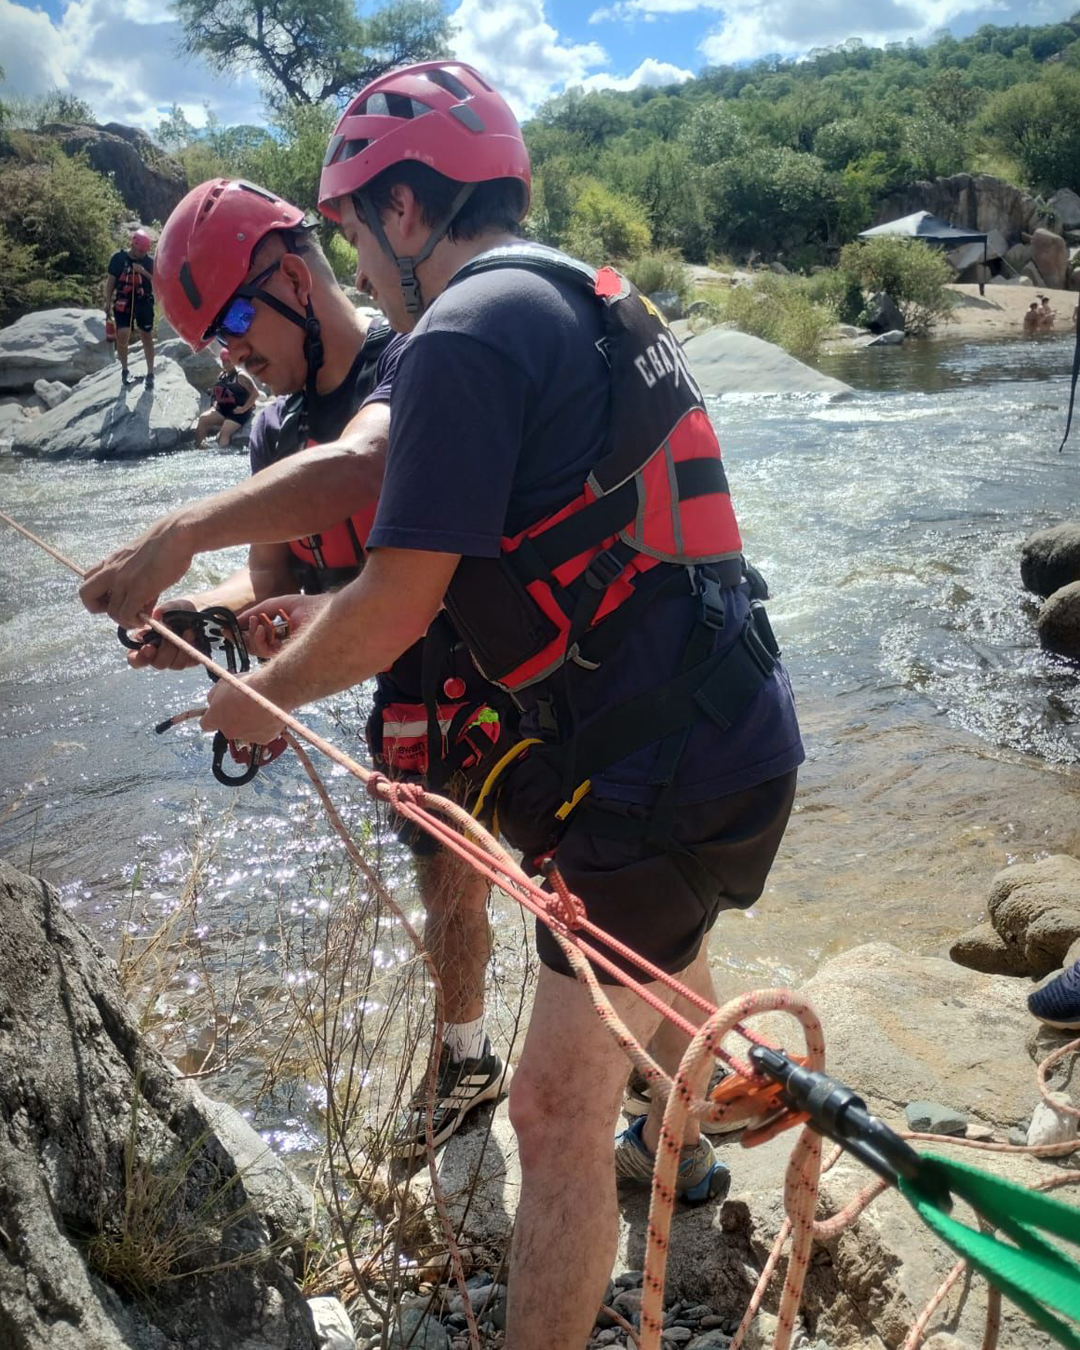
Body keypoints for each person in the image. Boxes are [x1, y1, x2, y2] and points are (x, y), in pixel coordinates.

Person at [174, 62, 803, 1348]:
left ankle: (692, 1129)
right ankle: (716, 1105)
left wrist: (258, 702)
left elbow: (399, 599)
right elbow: (508, 546)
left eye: (357, 228)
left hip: (653, 773)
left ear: (405, 211)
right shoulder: (572, 291)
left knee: (551, 1115)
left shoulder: (460, 331)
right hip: (721, 725)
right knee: (654, 954)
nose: (361, 258)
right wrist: (278, 613)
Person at [80, 178, 519, 1157]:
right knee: (448, 887)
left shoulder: (414, 358)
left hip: (508, 672)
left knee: (580, 885)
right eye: (214, 345)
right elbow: (274, 576)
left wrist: (178, 534)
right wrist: (197, 617)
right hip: (408, 694)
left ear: (289, 278)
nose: (232, 358)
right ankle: (467, 1059)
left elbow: (364, 467)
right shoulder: (274, 431)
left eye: (235, 326)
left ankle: (655, 1085)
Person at [105, 228, 156, 388]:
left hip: (144, 301)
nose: (142, 254)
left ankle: (150, 373)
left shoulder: (149, 262)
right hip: (123, 300)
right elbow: (111, 281)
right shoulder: (118, 259)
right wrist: (107, 302)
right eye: (140, 251)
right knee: (123, 334)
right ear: (133, 246)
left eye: (144, 251)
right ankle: (125, 370)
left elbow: (157, 282)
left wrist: (143, 272)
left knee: (146, 335)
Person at [196, 351, 259, 448]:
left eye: (228, 361)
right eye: (224, 361)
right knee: (203, 419)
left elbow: (256, 393)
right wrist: (216, 403)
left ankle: (221, 454)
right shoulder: (222, 375)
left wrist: (244, 408)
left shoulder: (241, 376)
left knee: (224, 434)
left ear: (234, 360)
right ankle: (199, 448)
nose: (226, 364)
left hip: (238, 413)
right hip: (223, 410)